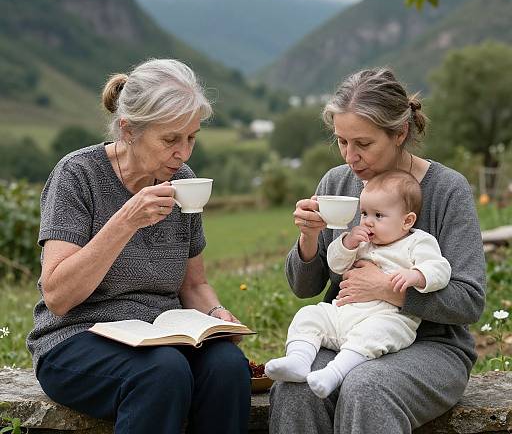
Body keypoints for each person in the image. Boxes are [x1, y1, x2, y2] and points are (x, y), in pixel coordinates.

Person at [27, 58, 251, 434]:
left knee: (228, 367)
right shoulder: (77, 175)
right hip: (76, 338)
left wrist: (216, 312)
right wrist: (126, 220)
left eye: (191, 137)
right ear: (129, 130)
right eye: (170, 140)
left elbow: (193, 285)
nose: (184, 153)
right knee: (162, 371)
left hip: (161, 336)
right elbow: (58, 296)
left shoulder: (183, 180)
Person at [269, 67, 486, 433]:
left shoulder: (448, 189)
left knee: (367, 387)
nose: (350, 156)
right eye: (342, 142)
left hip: (434, 347)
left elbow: (469, 301)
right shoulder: (336, 182)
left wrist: (388, 289)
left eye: (363, 144)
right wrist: (308, 239)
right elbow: (305, 288)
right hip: (347, 331)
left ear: (400, 132)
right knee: (296, 388)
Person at [265, 170, 451, 399]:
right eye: (364, 213)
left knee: (374, 334)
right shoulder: (362, 242)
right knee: (310, 314)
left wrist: (417, 276)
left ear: (407, 221)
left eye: (379, 215)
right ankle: (298, 359)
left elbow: (440, 269)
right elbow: (336, 265)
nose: (368, 221)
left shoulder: (417, 242)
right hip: (345, 314)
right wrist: (347, 242)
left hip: (388, 317)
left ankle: (334, 373)